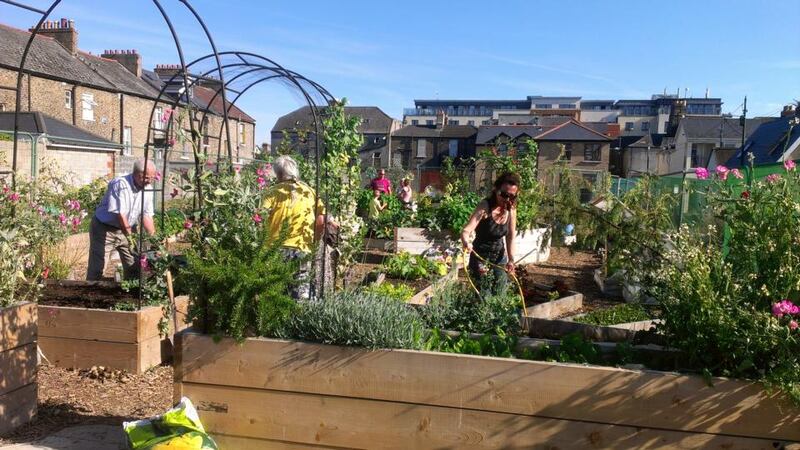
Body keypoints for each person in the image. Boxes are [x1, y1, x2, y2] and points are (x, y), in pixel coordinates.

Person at [262, 155, 330, 300]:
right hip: (301, 248)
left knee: (275, 292)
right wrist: (315, 240)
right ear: (295, 172)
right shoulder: (309, 192)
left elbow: (259, 218)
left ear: (278, 174)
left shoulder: (271, 193)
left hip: (274, 249)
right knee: (301, 291)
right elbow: (321, 220)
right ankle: (300, 319)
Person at [87, 159, 156, 280]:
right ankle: (90, 296)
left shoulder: (148, 189)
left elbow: (147, 216)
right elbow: (121, 215)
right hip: (105, 229)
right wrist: (131, 239)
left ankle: (128, 296)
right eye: (145, 178)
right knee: (97, 268)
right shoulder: (120, 184)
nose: (149, 181)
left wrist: (155, 240)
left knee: (134, 267)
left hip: (128, 228)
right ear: (136, 174)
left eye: (152, 178)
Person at [460, 172, 519, 294]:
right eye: (504, 194)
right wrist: (466, 242)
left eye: (512, 196)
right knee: (483, 296)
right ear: (496, 190)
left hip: (499, 258)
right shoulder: (485, 206)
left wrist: (511, 259)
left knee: (500, 294)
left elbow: (510, 237)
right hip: (481, 258)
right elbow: (466, 230)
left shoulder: (511, 210)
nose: (507, 199)